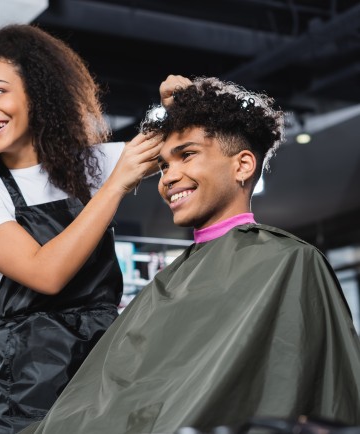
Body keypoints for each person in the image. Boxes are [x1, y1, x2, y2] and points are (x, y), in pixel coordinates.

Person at [20, 76, 360, 434]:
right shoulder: (171, 281)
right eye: (164, 165)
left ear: (242, 165)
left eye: (188, 155)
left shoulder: (290, 263)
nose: (168, 177)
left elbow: (322, 393)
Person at [0, 25, 175, 434]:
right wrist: (116, 184)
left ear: (38, 93)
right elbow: (45, 273)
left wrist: (183, 103)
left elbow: (189, 143)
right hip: (32, 383)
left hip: (105, 364)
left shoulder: (92, 163)